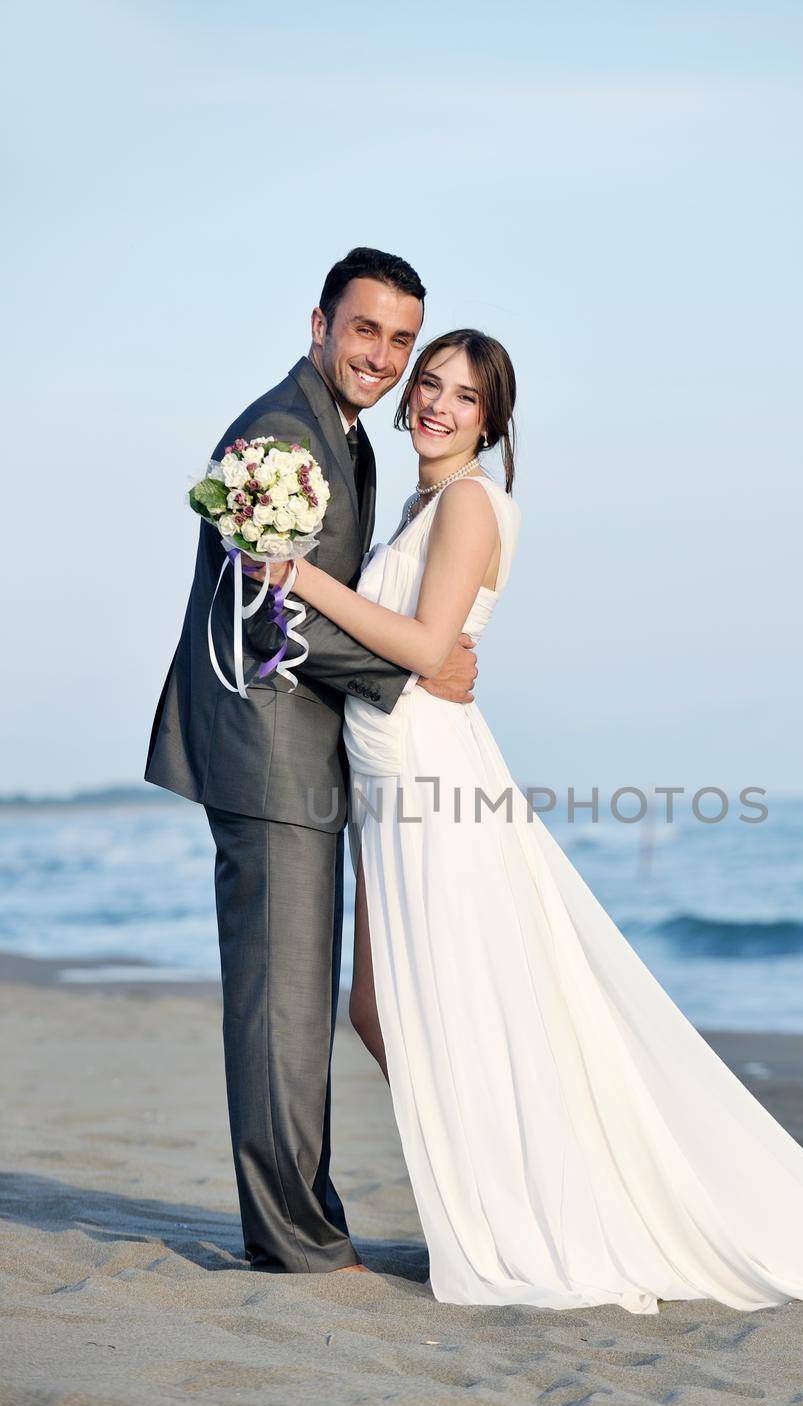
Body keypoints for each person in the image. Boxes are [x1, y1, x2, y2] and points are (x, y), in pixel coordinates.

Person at [262, 326, 803, 1327]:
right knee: (383, 1011)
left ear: (492, 420)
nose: (439, 404)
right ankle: (505, 1185)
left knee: (447, 1006)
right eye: (430, 384)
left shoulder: (468, 502)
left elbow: (422, 644)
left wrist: (299, 574)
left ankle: (531, 1204)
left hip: (429, 772)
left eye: (464, 394)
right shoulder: (415, 501)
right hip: (385, 779)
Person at [145, 247, 478, 1274]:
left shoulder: (345, 440)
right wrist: (410, 669)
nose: (382, 356)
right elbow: (260, 611)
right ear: (320, 324)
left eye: (400, 339)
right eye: (365, 330)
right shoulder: (280, 435)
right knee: (282, 1004)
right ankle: (293, 1240)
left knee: (296, 1001)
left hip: (305, 750)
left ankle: (307, 1214)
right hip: (266, 745)